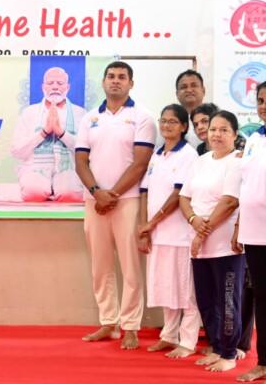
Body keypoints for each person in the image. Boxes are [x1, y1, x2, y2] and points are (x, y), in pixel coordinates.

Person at [75, 61, 156, 349]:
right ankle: (108, 323)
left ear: (131, 83)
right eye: (111, 76)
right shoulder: (89, 118)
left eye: (122, 77)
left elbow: (141, 163)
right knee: (101, 265)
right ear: (103, 81)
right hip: (94, 202)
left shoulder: (142, 116)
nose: (116, 81)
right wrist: (97, 192)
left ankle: (130, 326)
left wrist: (113, 195)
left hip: (128, 201)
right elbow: (81, 161)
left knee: (130, 266)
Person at [179, 110, 243, 372]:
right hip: (198, 244)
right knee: (206, 300)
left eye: (224, 129)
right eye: (213, 129)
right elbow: (184, 197)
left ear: (235, 134)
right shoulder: (201, 160)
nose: (217, 134)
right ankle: (216, 347)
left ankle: (229, 353)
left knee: (228, 301)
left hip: (225, 245)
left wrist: (201, 233)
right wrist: (193, 219)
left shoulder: (237, 162)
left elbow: (230, 202)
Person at [138, 104, 200, 358]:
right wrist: (145, 228)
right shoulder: (157, 154)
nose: (166, 126)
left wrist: (152, 223)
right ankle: (169, 335)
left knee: (186, 290)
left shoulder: (189, 155)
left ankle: (188, 341)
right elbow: (145, 192)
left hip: (180, 235)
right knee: (166, 286)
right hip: (159, 235)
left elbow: (178, 195)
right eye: (163, 121)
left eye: (172, 121)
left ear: (184, 126)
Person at [11, 66, 85, 202]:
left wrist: (61, 133)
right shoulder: (29, 113)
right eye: (50, 83)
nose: (55, 87)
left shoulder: (80, 113)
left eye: (60, 83)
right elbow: (17, 151)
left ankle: (58, 187)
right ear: (43, 87)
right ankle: (46, 188)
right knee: (34, 194)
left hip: (69, 167)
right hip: (35, 167)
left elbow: (85, 151)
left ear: (67, 87)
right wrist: (44, 133)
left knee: (70, 195)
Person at [235, 81, 266, 382]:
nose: (264, 106)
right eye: (260, 100)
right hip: (255, 231)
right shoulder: (254, 138)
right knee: (262, 297)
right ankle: (264, 362)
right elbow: (246, 184)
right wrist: (238, 226)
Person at [175, 70, 206, 147]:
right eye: (183, 87)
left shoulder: (216, 118)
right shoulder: (170, 122)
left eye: (194, 85)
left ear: (203, 90)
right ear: (177, 94)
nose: (189, 90)